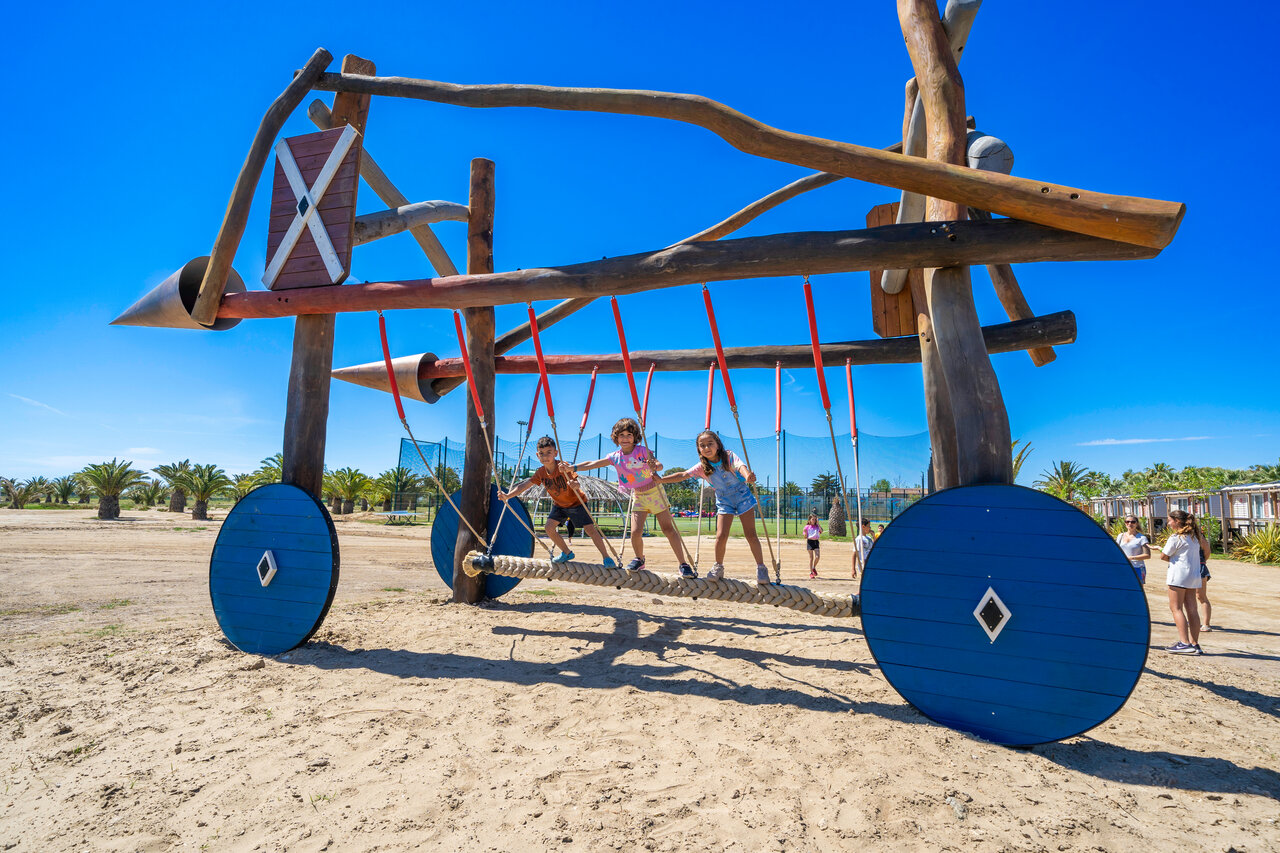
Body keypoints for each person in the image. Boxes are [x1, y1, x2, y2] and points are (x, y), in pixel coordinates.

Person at [570, 417, 695, 577]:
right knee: (635, 532)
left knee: (668, 529)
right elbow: (592, 464)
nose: (625, 438)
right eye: (621, 435)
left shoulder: (642, 451)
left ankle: (683, 564)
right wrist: (573, 467)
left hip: (654, 492)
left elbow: (659, 465)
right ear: (616, 437)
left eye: (629, 435)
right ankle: (639, 559)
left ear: (635, 437)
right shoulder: (615, 457)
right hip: (638, 495)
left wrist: (654, 466)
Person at [657, 430, 771, 583]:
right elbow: (683, 475)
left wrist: (747, 476)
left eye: (710, 444)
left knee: (750, 534)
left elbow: (740, 466)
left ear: (718, 445)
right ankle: (718, 566)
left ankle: (761, 568)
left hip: (742, 496)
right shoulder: (702, 466)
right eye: (702, 446)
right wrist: (661, 480)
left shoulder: (728, 456)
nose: (706, 448)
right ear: (699, 450)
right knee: (721, 535)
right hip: (724, 501)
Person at [499, 436, 616, 567]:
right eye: (542, 453)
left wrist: (575, 485)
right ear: (537, 455)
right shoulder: (540, 473)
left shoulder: (563, 467)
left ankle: (606, 557)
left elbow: (576, 482)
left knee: (590, 530)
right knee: (549, 528)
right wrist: (508, 495)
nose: (545, 456)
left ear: (555, 453)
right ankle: (566, 552)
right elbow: (525, 485)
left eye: (549, 452)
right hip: (559, 505)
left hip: (577, 502)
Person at [1159, 509, 1203, 655]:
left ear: (1177, 521)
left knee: (1176, 608)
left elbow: (1164, 556)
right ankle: (1195, 643)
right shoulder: (1194, 537)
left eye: (1170, 520)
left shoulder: (1175, 538)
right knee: (1192, 609)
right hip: (1193, 575)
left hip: (1178, 576)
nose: (1168, 522)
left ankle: (1184, 642)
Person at [1115, 516, 1151, 584]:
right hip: (1123, 567)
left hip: (1137, 568)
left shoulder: (1142, 538)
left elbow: (1147, 555)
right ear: (1125, 523)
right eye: (1127, 521)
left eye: (1133, 522)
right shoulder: (1120, 536)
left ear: (1136, 524)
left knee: (1137, 591)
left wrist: (1131, 558)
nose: (1130, 523)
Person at [1198, 527, 1214, 631]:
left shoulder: (1200, 538)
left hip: (1199, 568)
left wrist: (1201, 562)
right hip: (1186, 569)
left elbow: (1207, 553)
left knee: (1201, 596)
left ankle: (1206, 624)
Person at [804, 513, 822, 579]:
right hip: (810, 542)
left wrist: (818, 524)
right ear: (810, 520)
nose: (814, 520)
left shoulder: (817, 526)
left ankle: (813, 567)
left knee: (817, 556)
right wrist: (805, 533)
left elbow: (821, 531)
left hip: (816, 542)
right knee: (811, 558)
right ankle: (811, 572)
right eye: (813, 519)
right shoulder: (807, 527)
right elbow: (805, 537)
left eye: (815, 519)